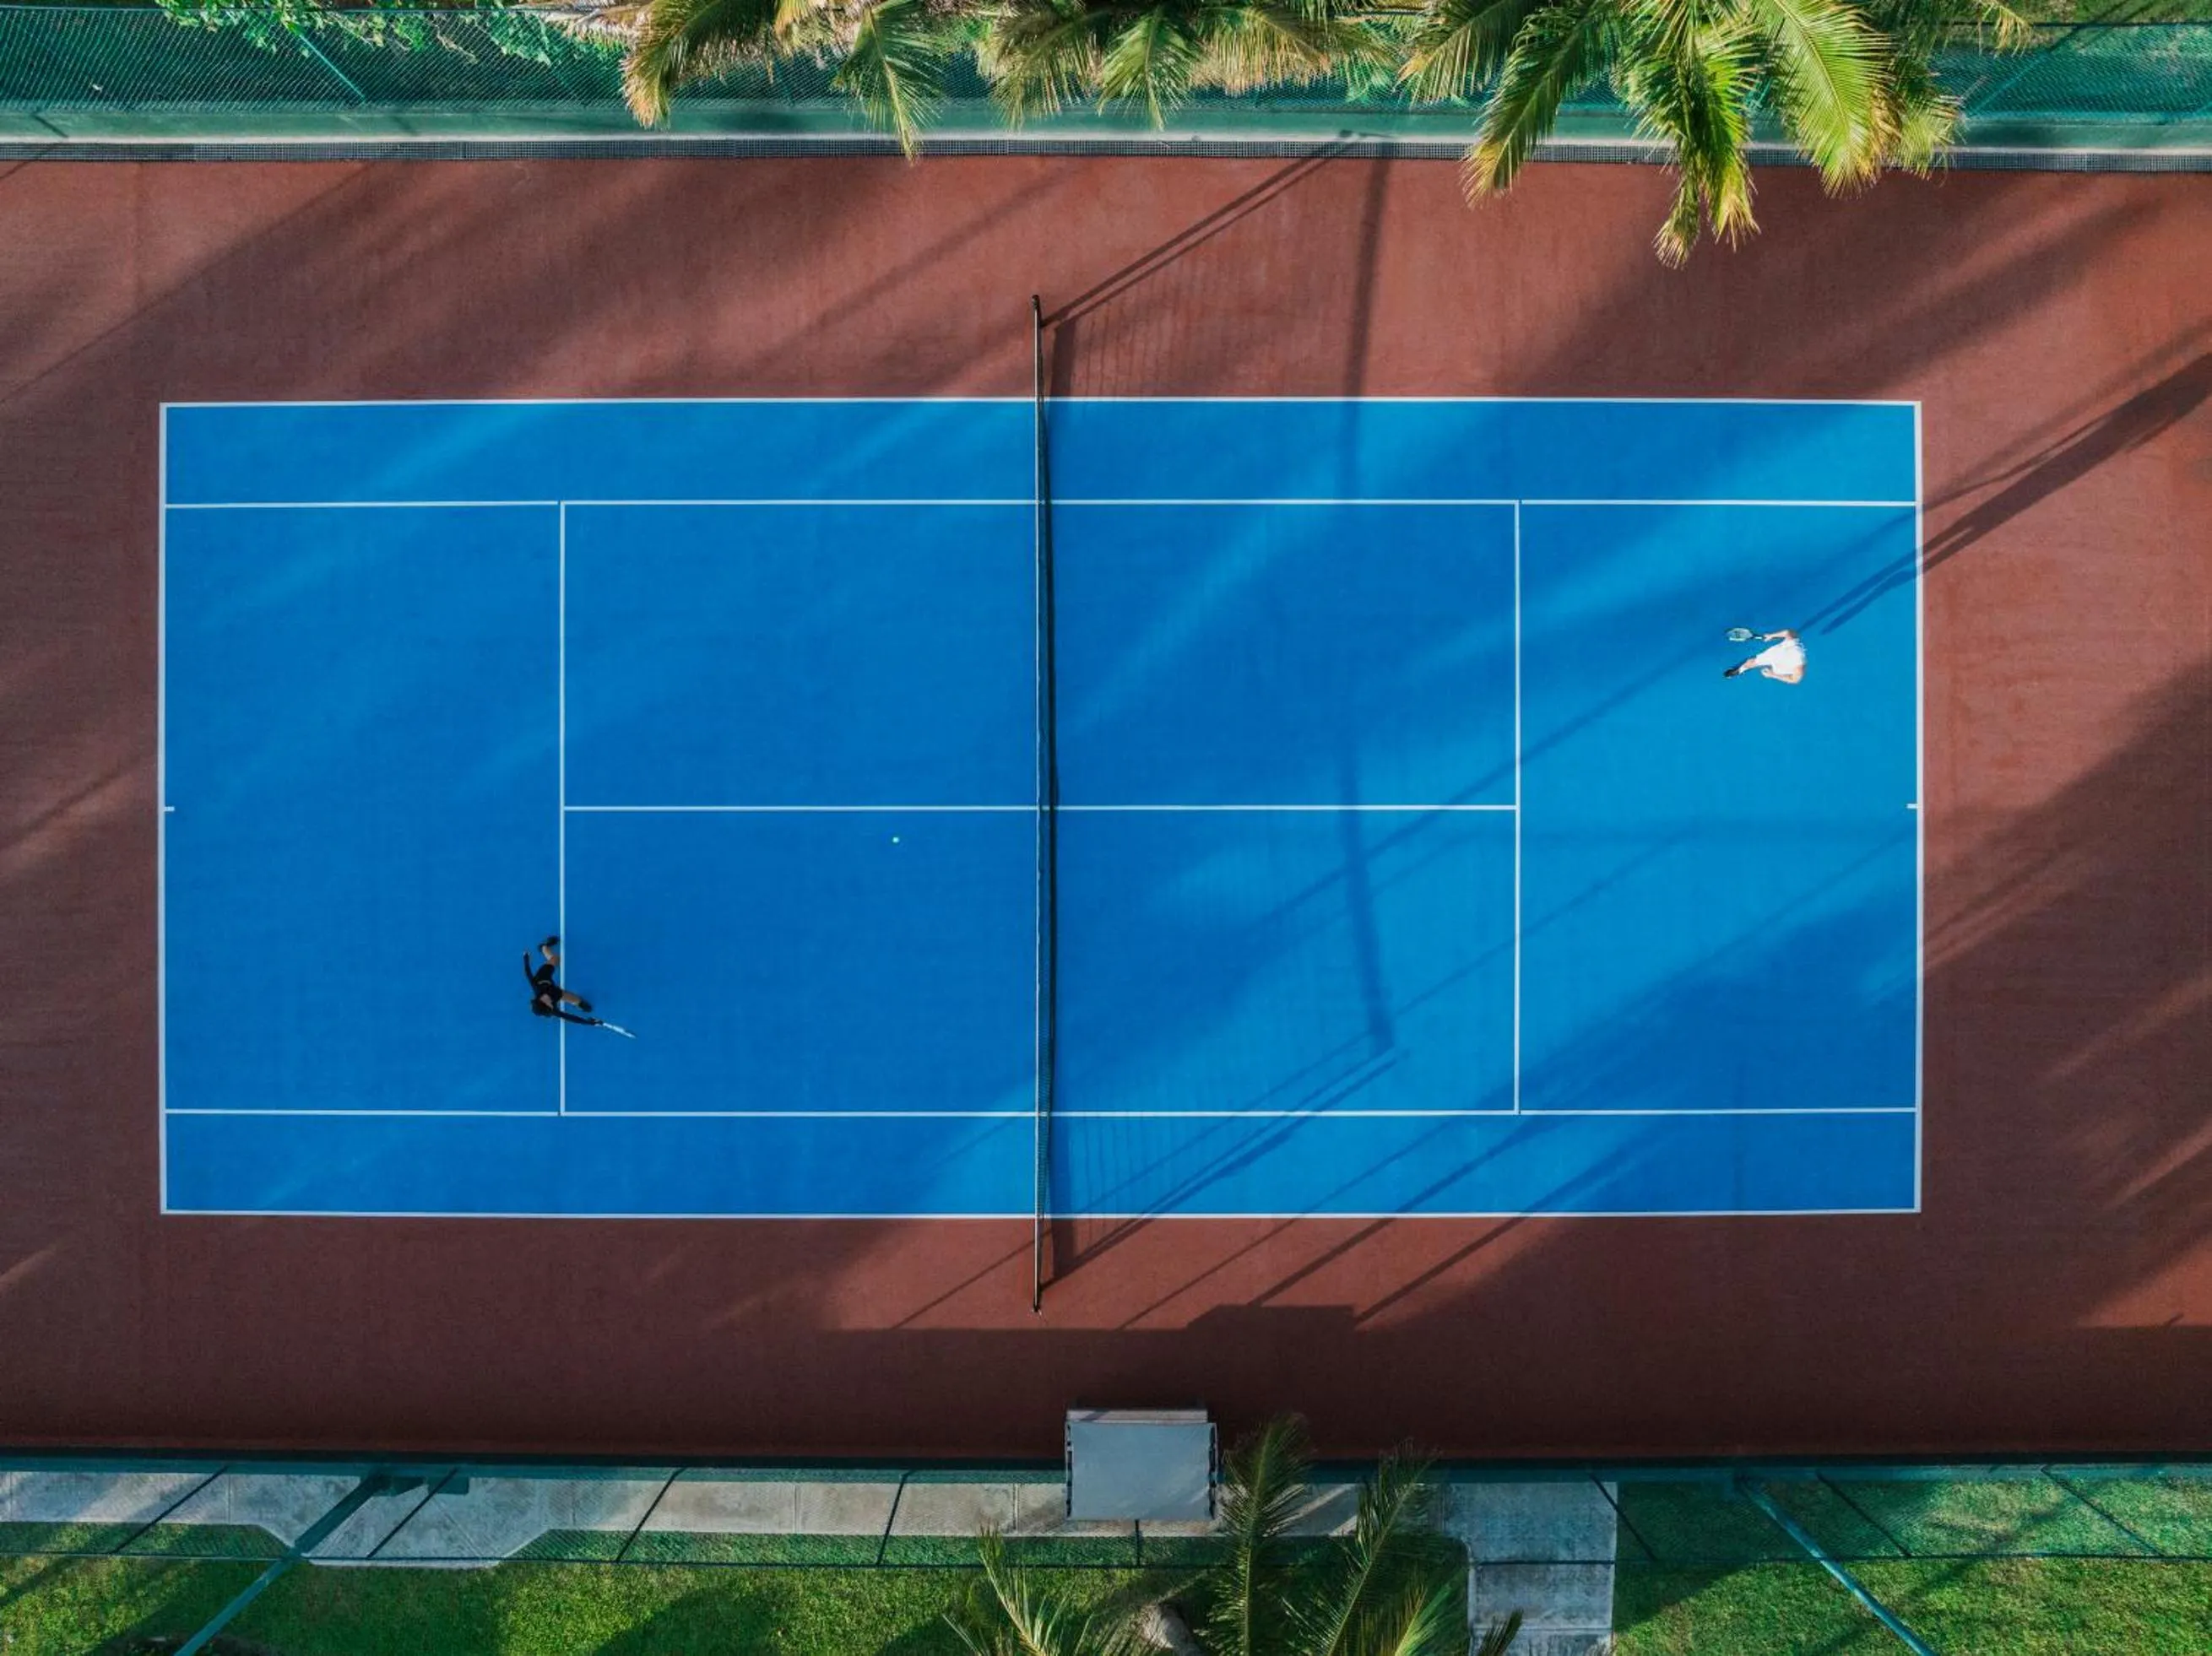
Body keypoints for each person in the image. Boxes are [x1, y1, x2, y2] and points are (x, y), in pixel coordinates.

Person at [525, 934, 601, 1026]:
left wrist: (526, 958)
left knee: (556, 959)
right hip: (555, 993)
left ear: (543, 1001)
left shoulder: (536, 987)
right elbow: (569, 1017)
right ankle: (580, 1004)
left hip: (543, 976)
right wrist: (588, 1022)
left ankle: (543, 947)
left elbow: (528, 973)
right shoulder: (551, 1009)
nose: (552, 1007)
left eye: (549, 1006)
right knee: (575, 999)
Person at [1724, 628, 1806, 684]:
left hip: (1783, 667)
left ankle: (1774, 671)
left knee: (1776, 671)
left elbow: (1795, 680)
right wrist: (1772, 635)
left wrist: (1773, 675)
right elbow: (1788, 632)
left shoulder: (1798, 664)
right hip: (1775, 653)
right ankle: (1739, 670)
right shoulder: (1792, 644)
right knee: (1750, 662)